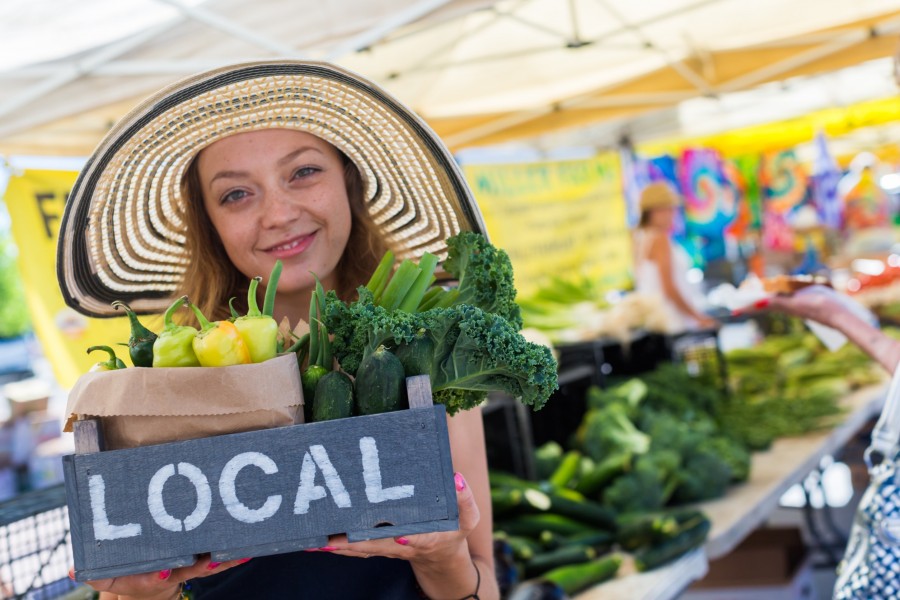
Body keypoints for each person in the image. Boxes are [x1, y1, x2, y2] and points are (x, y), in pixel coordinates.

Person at [57, 61, 498, 600]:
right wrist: (143, 592)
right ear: (210, 224)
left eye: (304, 172)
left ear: (349, 184)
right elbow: (132, 581)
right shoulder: (167, 375)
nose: (279, 213)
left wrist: (445, 557)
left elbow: (482, 582)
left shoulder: (427, 356)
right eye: (236, 195)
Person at [632, 181, 718, 332]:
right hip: (672, 320)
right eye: (668, 210)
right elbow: (669, 288)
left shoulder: (640, 238)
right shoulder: (659, 239)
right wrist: (697, 317)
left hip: (658, 320)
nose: (672, 215)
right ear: (654, 211)